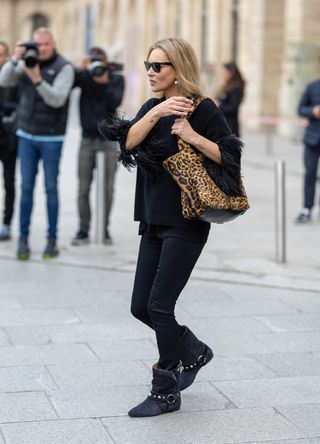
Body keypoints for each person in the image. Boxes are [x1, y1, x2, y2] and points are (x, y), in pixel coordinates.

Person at [101, 37, 243, 417]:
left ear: (178, 69)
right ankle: (194, 351)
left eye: (158, 66)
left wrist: (192, 136)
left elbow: (231, 157)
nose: (150, 71)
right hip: (153, 218)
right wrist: (157, 111)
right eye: (148, 64)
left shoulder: (205, 109)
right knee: (139, 307)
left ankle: (166, 389)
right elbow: (128, 144)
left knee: (160, 306)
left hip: (187, 221)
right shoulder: (152, 106)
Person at [0, 28, 74, 259]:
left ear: (53, 44)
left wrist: (38, 80)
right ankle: (23, 239)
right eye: (38, 44)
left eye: (45, 44)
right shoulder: (25, 62)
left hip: (52, 138)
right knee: (26, 189)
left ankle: (51, 240)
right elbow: (3, 80)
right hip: (26, 136)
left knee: (51, 189)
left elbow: (57, 99)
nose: (41, 49)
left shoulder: (64, 67)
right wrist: (15, 58)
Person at [71, 47, 124, 246]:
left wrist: (104, 83)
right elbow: (69, 84)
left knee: (107, 189)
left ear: (106, 62)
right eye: (92, 61)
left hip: (108, 141)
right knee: (83, 188)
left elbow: (114, 103)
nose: (96, 66)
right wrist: (80, 69)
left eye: (99, 61)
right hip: (86, 140)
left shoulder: (116, 79)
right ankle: (83, 230)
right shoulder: (84, 77)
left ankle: (104, 229)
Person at [0, 41, 18, 241]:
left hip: (8, 140)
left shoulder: (14, 78)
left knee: (9, 183)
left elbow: (19, 104)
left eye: (1, 55)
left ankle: (6, 222)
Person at [295, 78, 320, 223]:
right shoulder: (312, 86)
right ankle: (307, 208)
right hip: (312, 139)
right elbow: (300, 109)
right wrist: (313, 111)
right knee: (310, 173)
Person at [215, 61, 245, 137]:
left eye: (225, 72)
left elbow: (233, 108)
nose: (223, 74)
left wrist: (218, 105)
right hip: (223, 125)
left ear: (231, 73)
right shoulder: (227, 86)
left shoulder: (236, 88)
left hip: (230, 126)